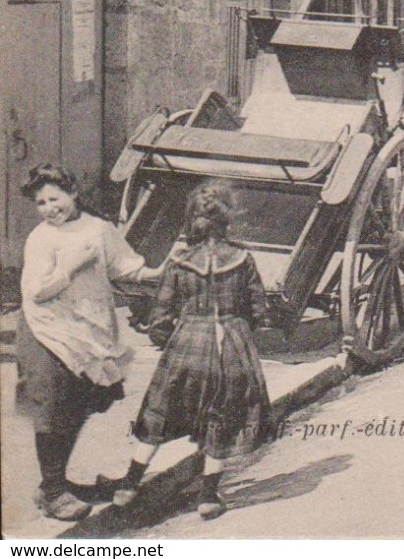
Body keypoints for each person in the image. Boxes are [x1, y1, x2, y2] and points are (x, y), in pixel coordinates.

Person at [15, 165, 164, 520]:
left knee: (77, 405)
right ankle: (53, 491)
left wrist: (162, 271)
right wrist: (70, 267)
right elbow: (37, 292)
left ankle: (56, 481)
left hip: (90, 331)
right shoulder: (41, 238)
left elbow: (126, 267)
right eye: (41, 203)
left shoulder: (100, 230)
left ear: (73, 194)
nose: (50, 208)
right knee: (52, 407)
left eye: (55, 198)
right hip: (48, 331)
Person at [118, 181, 272, 519]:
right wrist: (241, 327)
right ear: (227, 221)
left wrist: (166, 339)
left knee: (159, 412)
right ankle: (208, 497)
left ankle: (128, 486)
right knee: (221, 418)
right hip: (233, 343)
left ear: (192, 220)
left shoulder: (179, 261)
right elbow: (259, 310)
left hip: (189, 341)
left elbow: (161, 316)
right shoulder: (243, 259)